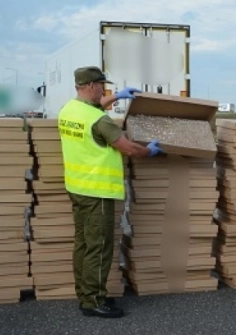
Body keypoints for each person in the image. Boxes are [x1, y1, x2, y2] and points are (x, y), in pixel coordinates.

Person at [57, 66, 164, 318]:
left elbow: (95, 107)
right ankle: (94, 301)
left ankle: (84, 293)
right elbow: (128, 149)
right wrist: (149, 150)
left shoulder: (69, 110)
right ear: (92, 86)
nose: (104, 91)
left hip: (77, 187)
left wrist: (117, 97)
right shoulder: (100, 120)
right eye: (102, 87)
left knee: (83, 244)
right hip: (98, 192)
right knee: (99, 247)